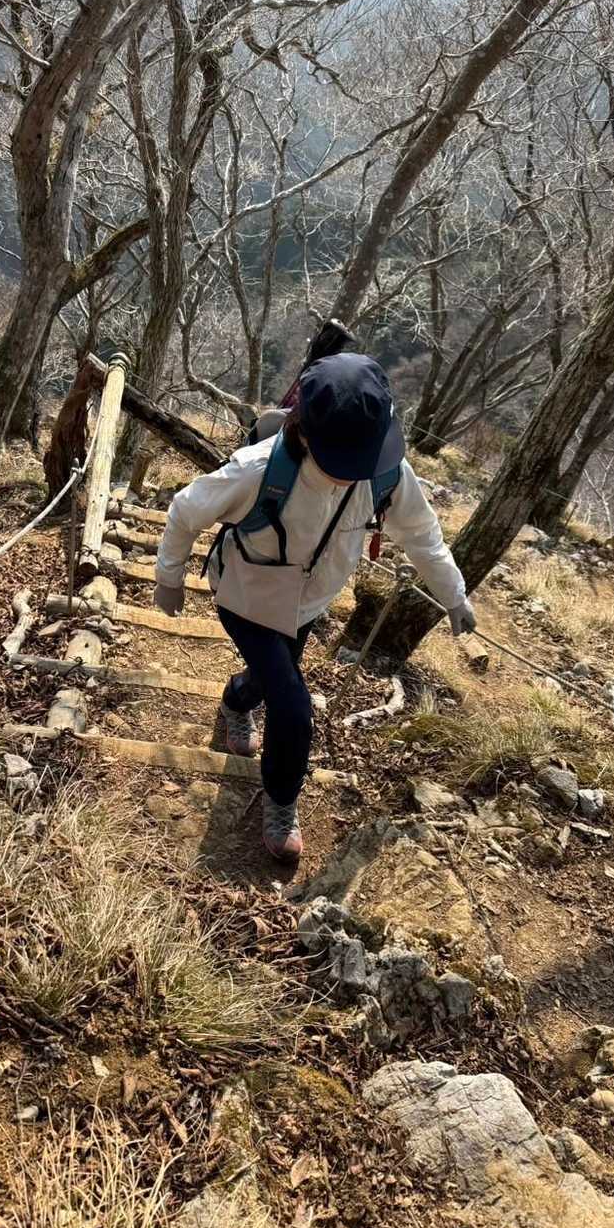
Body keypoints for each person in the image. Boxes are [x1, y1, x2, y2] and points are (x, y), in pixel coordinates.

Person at [153, 350, 474, 862]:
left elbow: (422, 535)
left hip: (308, 604)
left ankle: (236, 700)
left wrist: (454, 595)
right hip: (247, 595)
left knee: (270, 679)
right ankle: (281, 801)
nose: (354, 474)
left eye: (362, 460)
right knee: (294, 707)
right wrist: (169, 579)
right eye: (343, 461)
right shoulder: (258, 470)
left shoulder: (384, 472)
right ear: (304, 434)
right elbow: (185, 510)